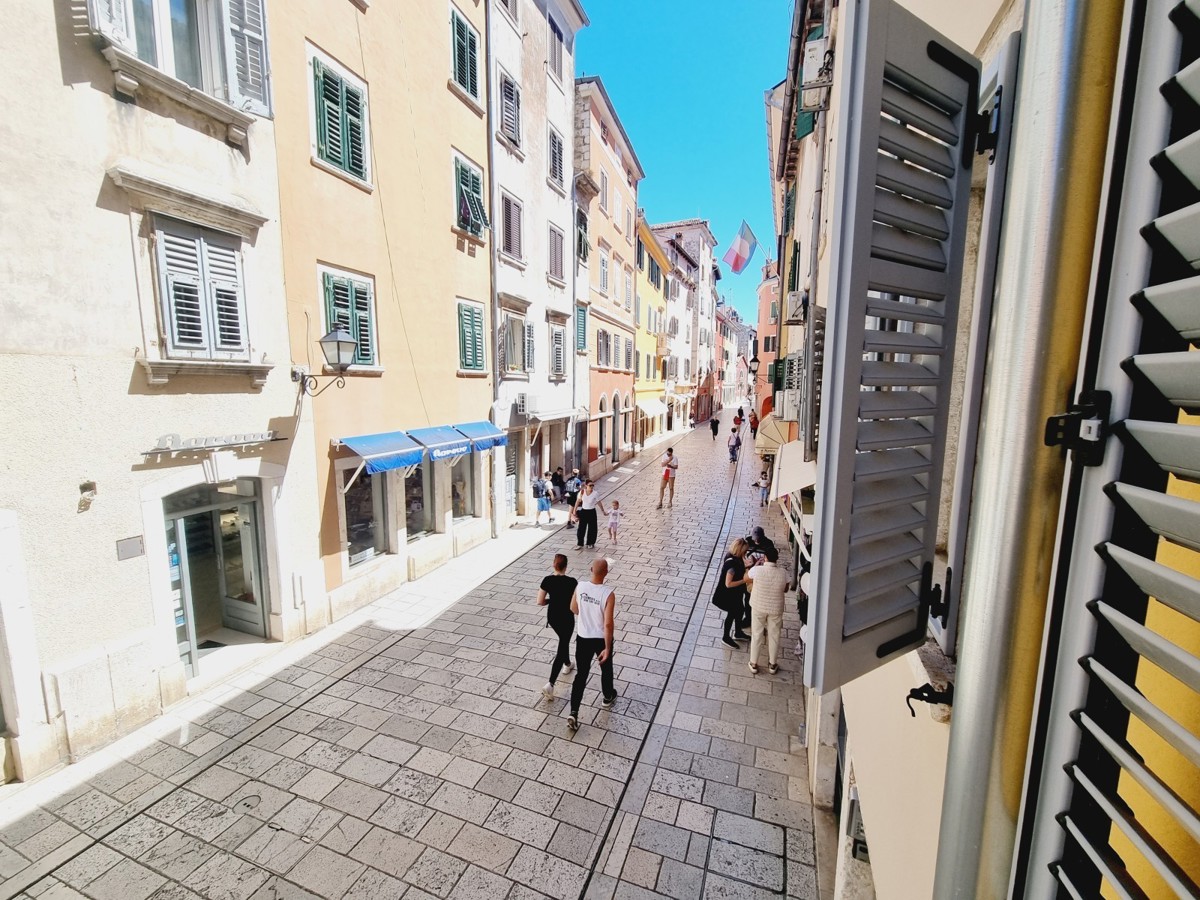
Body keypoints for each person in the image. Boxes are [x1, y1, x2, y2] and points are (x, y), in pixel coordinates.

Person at [568, 557, 618, 730]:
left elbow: (573, 609)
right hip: (600, 638)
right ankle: (607, 696)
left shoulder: (580, 586)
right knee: (606, 668)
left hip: (583, 637)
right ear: (606, 573)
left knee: (581, 674)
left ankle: (573, 711)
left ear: (591, 569)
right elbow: (608, 624)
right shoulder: (608, 594)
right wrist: (608, 646)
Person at [538, 553, 578, 698]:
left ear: (553, 565)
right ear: (566, 567)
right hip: (567, 617)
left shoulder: (547, 580)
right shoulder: (573, 582)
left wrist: (551, 600)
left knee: (563, 640)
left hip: (553, 617)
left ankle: (567, 663)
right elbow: (575, 603)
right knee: (563, 643)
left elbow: (540, 601)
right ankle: (550, 683)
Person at [745, 546, 788, 674]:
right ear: (777, 559)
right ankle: (773, 664)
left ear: (765, 557)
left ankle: (753, 663)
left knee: (757, 634)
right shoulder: (783, 572)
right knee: (774, 635)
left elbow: (746, 579)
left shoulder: (757, 570)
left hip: (758, 605)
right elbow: (785, 589)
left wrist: (754, 566)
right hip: (775, 607)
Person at [712, 538, 751, 647]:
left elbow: (740, 569)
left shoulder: (733, 557)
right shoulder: (732, 565)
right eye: (745, 551)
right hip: (727, 595)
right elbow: (728, 584)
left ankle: (738, 632)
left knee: (740, 610)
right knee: (732, 613)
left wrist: (749, 566)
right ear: (740, 550)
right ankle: (726, 637)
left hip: (735, 594)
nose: (746, 553)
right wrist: (744, 580)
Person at [574, 480, 605, 549]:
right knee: (581, 528)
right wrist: (574, 511)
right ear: (586, 486)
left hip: (592, 512)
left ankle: (590, 543)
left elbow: (599, 502)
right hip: (584, 511)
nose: (591, 487)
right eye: (590, 485)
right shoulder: (582, 492)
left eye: (593, 485)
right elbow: (577, 501)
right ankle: (580, 543)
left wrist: (603, 511)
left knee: (592, 528)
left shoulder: (595, 493)